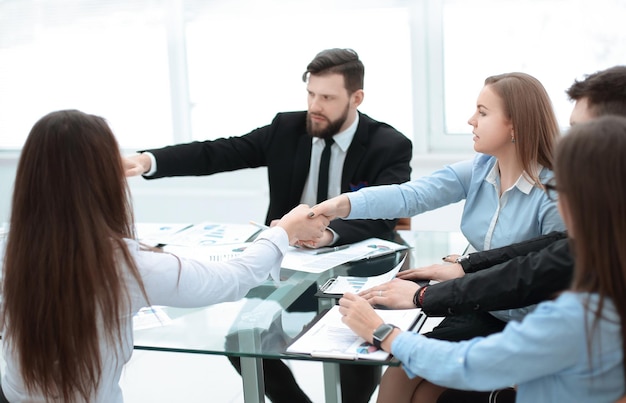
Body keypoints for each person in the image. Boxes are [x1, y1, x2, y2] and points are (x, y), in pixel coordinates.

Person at [124, 48, 413, 403]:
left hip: (359, 267)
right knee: (239, 343)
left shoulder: (390, 145)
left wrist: (328, 234)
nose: (314, 106)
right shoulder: (286, 128)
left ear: (357, 98)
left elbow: (385, 216)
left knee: (352, 355)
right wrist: (148, 160)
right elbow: (220, 152)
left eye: (327, 97)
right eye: (310, 94)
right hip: (288, 266)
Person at [0, 110, 329, 402]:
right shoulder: (121, 266)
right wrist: (284, 231)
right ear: (100, 179)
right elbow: (233, 278)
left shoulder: (9, 247)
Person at [355, 65, 626, 403]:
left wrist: (388, 327)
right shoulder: (483, 169)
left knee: (418, 382)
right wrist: (465, 267)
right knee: (406, 378)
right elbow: (540, 255)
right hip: (493, 313)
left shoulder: (581, 305)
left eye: (482, 112)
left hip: (519, 323)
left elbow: (527, 275)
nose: (471, 120)